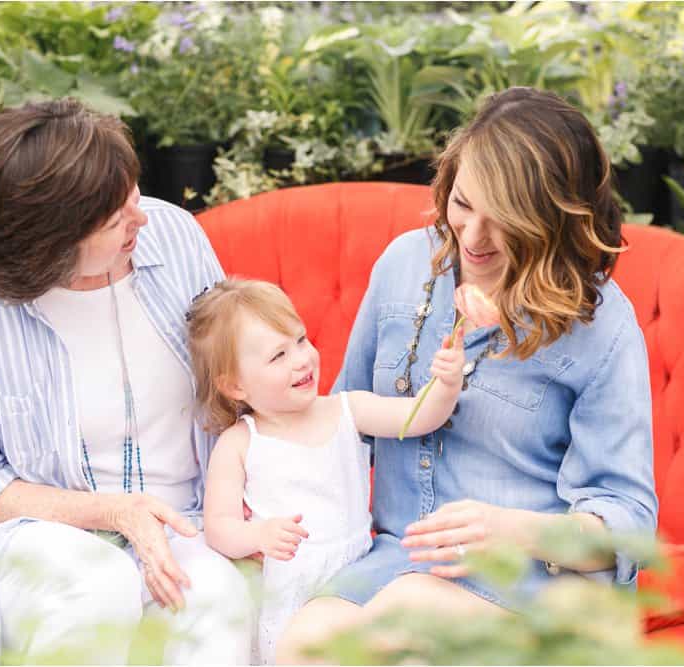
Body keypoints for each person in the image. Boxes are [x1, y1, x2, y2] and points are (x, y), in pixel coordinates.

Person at [277, 86, 659, 661]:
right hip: (397, 558)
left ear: (550, 220)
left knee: (405, 621)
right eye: (462, 205)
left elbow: (627, 524)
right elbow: (343, 420)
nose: (472, 239)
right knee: (304, 642)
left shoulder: (600, 324)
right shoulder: (405, 265)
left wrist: (506, 527)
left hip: (533, 578)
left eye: (503, 221)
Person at [0, 98, 254, 665]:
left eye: (133, 194)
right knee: (93, 588)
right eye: (116, 218)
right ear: (51, 241)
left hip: (179, 522)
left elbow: (238, 379)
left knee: (217, 605)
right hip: (29, 533)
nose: (141, 218)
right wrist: (112, 512)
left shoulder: (173, 235)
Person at [187, 279, 469, 663]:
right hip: (288, 589)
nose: (301, 359)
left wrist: (446, 385)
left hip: (358, 576)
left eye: (301, 340)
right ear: (234, 385)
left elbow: (416, 418)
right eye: (278, 355)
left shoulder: (346, 409)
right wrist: (258, 534)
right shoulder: (240, 442)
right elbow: (219, 527)